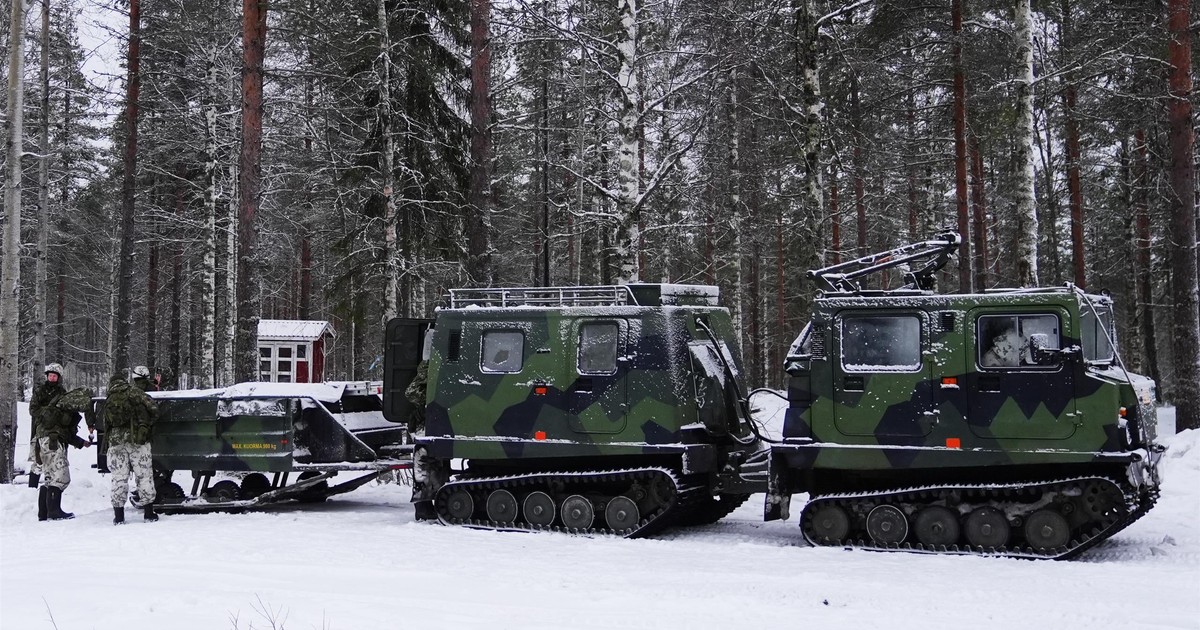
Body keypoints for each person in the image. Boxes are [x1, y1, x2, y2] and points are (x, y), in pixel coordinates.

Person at [34, 381, 96, 521]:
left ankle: (43, 513)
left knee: (50, 477)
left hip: (45, 441)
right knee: (61, 477)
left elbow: (64, 432)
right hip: (53, 442)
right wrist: (91, 423)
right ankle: (54, 512)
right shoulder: (71, 400)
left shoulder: (62, 404)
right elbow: (87, 405)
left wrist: (81, 442)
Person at [103, 372, 160, 524]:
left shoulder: (109, 397)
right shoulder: (134, 392)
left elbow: (105, 422)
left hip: (115, 442)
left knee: (118, 478)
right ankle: (148, 514)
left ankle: (119, 516)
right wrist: (147, 425)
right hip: (137, 440)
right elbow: (154, 408)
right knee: (144, 475)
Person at [27, 363, 67, 489]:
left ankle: (50, 486)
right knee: (38, 461)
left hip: (57, 432)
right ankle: (32, 488)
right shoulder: (40, 391)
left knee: (55, 461)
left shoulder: (62, 392)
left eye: (54, 376)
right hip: (41, 430)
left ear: (59, 377)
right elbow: (32, 410)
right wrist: (46, 413)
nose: (52, 378)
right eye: (50, 375)